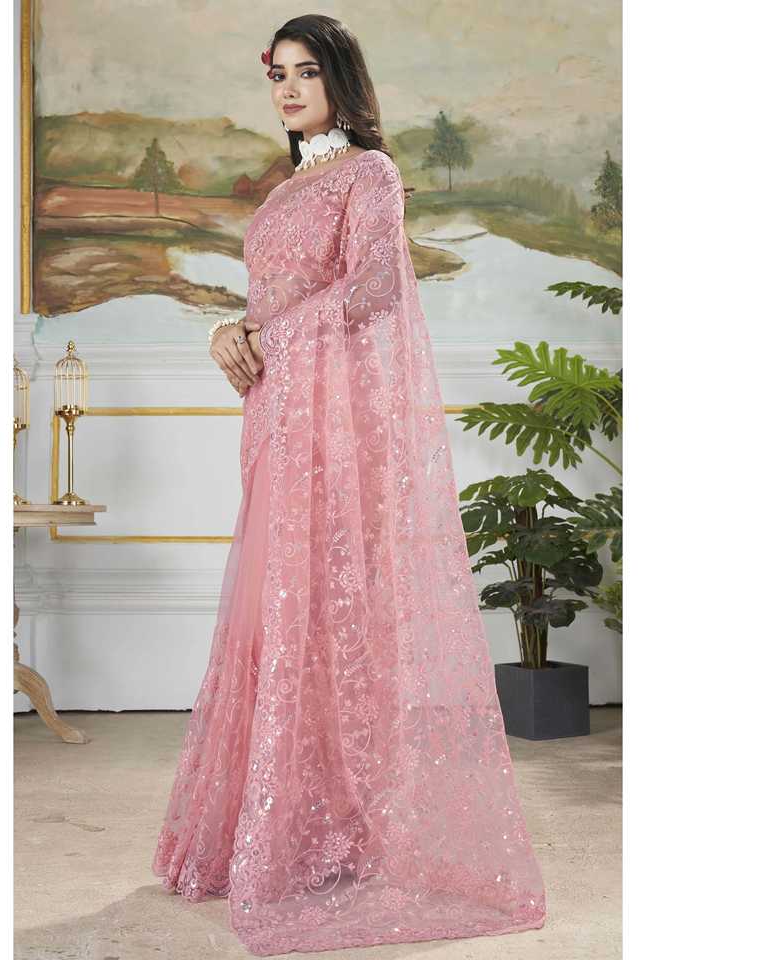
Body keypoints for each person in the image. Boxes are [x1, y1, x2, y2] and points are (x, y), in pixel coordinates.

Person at [152, 14, 546, 956]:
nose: (288, 90)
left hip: (335, 435)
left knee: (330, 616)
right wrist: (227, 332)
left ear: (340, 82)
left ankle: (334, 834)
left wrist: (263, 335)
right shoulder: (288, 185)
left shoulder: (370, 175)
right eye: (277, 75)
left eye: (306, 73)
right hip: (278, 423)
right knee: (275, 614)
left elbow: (372, 289)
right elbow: (272, 305)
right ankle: (278, 830)